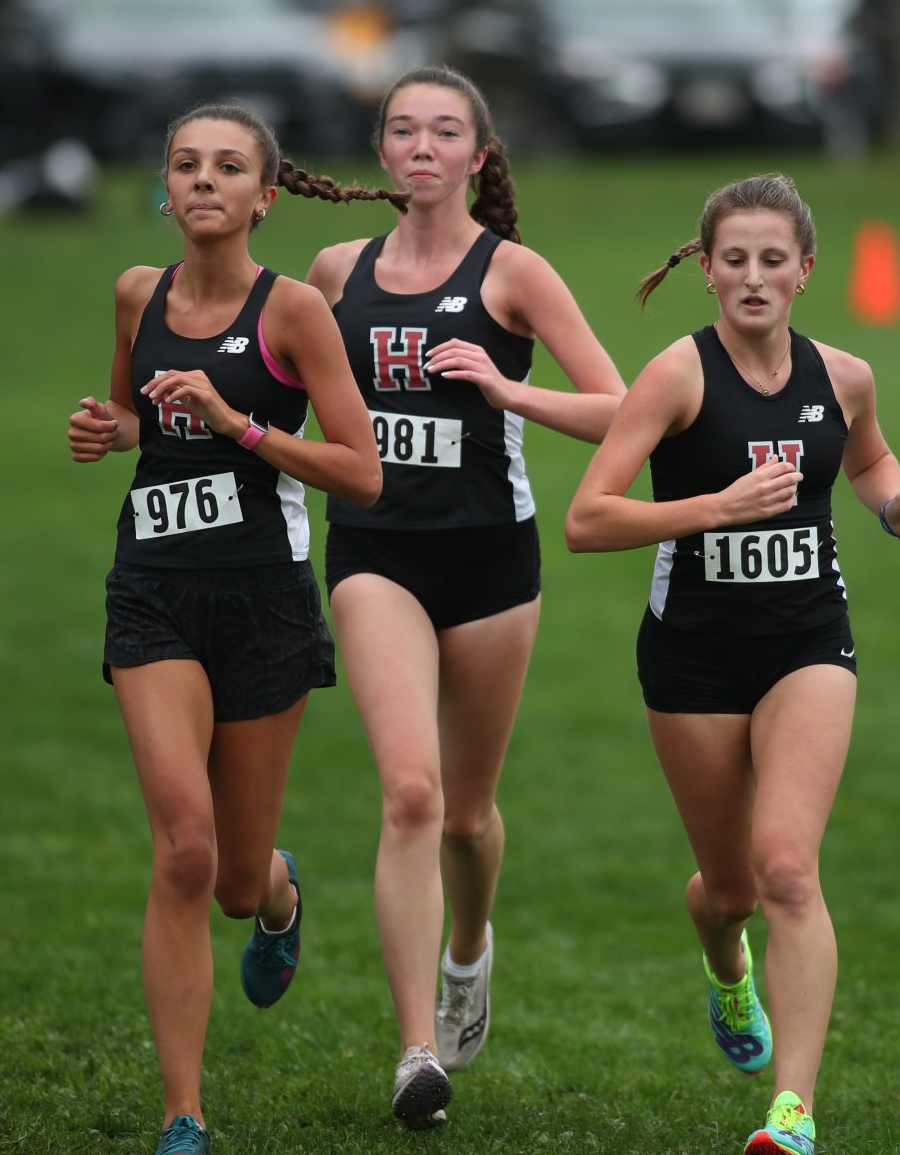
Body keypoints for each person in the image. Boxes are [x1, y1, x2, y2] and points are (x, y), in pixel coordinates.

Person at [564, 174, 900, 1155]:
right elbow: (586, 519)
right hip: (691, 655)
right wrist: (714, 509)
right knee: (729, 891)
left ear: (805, 270)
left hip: (806, 642)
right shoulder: (675, 377)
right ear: (708, 270)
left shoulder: (844, 376)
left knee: (786, 869)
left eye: (773, 259)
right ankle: (725, 963)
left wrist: (893, 506)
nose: (754, 277)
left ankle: (791, 1111)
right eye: (734, 259)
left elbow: (867, 459)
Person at [303, 66, 626, 1128]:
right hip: (373, 553)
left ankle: (469, 947)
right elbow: (279, 393)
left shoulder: (514, 273)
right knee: (411, 793)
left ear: (478, 157)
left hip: (490, 564)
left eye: (445, 132)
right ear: (382, 153)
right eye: (404, 130)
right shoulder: (336, 271)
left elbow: (623, 410)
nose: (423, 147)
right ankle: (414, 1053)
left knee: (469, 814)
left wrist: (504, 388)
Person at [65, 102, 389, 1155]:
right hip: (153, 589)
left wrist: (239, 425)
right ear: (167, 189)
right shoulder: (136, 293)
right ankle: (184, 1114)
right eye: (186, 164)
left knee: (238, 880)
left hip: (263, 602)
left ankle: (280, 891)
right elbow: (133, 416)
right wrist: (108, 429)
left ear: (264, 196)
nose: (203, 179)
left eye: (228, 166)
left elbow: (361, 472)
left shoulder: (294, 313)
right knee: (185, 849)